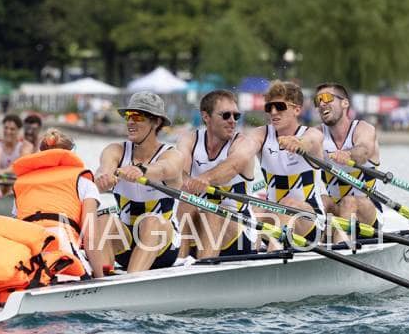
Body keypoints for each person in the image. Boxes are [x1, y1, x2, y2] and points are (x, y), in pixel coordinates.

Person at [95, 92, 184, 273]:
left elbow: (164, 169)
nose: (130, 122)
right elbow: (105, 167)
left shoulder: (171, 154)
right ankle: (103, 280)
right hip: (126, 243)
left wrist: (142, 170)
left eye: (137, 117)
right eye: (128, 116)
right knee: (102, 220)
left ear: (156, 122)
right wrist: (104, 177)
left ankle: (130, 281)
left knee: (150, 221)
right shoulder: (116, 150)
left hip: (163, 247)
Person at [11, 128, 106, 278]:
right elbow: (90, 237)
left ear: (41, 154)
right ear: (70, 153)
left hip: (25, 259)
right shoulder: (84, 183)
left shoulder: (22, 184)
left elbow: (15, 229)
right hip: (63, 255)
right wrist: (100, 277)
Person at [176, 90, 260, 259]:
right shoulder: (189, 140)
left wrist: (205, 178)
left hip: (240, 231)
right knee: (186, 203)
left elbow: (232, 166)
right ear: (206, 117)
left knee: (213, 212)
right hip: (202, 226)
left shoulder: (243, 143)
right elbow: (179, 174)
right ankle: (180, 261)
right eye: (226, 115)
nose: (232, 121)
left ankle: (204, 266)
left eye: (236, 116)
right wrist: (184, 181)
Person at [246, 80, 325, 248]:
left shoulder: (311, 133)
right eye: (269, 107)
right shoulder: (261, 135)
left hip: (310, 221)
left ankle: (273, 252)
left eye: (280, 107)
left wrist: (299, 143)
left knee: (287, 203)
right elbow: (242, 151)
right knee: (250, 208)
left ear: (297, 110)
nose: (273, 112)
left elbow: (313, 140)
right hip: (275, 215)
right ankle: (250, 253)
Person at [314, 82, 382, 241]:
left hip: (368, 215)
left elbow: (363, 151)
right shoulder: (316, 134)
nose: (322, 103)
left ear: (344, 103)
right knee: (322, 201)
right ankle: (319, 243)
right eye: (318, 101)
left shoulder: (364, 129)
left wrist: (348, 154)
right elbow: (305, 141)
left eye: (327, 98)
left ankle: (338, 247)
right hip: (338, 211)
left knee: (349, 201)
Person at [0, 114, 34, 195]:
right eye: (6, 128)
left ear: (18, 130)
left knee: (12, 186)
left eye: (12, 129)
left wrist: (3, 171)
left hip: (16, 181)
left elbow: (20, 165)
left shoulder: (26, 146)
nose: (8, 132)